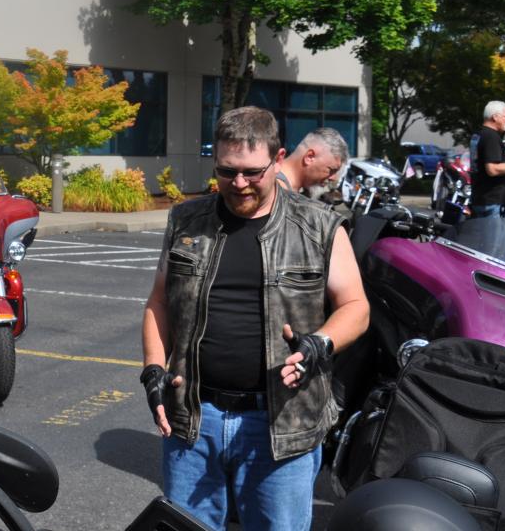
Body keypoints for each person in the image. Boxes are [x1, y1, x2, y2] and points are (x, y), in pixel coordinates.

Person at [140, 106, 369, 530]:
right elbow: (159, 302)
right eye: (227, 172)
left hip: (281, 423)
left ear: (278, 159)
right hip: (193, 419)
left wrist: (319, 343)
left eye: (251, 172)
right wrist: (153, 368)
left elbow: (356, 307)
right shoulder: (186, 220)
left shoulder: (319, 226)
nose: (239, 183)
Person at [470, 100, 505, 217]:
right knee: (496, 230)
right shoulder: (491, 136)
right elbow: (492, 169)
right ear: (495, 117)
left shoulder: (478, 134)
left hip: (480, 198)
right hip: (493, 202)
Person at [276, 127, 349, 196]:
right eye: (331, 170)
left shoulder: (286, 189)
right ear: (309, 157)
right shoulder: (276, 189)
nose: (334, 178)